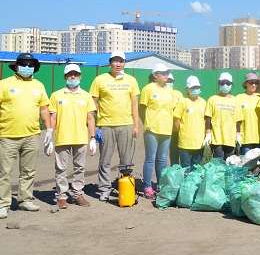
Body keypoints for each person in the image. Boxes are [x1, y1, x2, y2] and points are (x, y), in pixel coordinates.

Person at [0, 53, 50, 218]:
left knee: (28, 171)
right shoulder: (4, 84)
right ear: (16, 66)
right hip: (7, 135)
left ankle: (25, 200)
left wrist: (49, 129)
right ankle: (3, 203)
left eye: (30, 65)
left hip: (32, 135)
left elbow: (44, 109)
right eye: (23, 64)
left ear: (34, 68)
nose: (27, 67)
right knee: (4, 172)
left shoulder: (39, 86)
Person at [89, 51, 140, 202]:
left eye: (121, 61)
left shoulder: (131, 80)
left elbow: (135, 104)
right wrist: (98, 122)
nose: (118, 64)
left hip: (126, 124)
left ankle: (124, 188)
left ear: (124, 63)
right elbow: (93, 101)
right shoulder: (100, 79)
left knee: (126, 160)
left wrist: (136, 126)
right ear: (110, 62)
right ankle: (104, 189)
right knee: (105, 159)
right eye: (115, 61)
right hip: (106, 125)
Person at [46, 63, 97, 208]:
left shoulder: (86, 96)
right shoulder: (56, 95)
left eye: (75, 74)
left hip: (80, 138)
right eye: (70, 74)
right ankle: (61, 196)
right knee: (60, 169)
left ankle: (77, 195)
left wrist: (92, 138)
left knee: (79, 168)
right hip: (62, 138)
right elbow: (53, 118)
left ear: (80, 76)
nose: (73, 77)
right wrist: (50, 137)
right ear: (65, 77)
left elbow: (90, 118)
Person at [138, 63, 174, 200]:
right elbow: (142, 108)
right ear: (155, 75)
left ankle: (161, 185)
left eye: (167, 73)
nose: (166, 75)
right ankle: (147, 187)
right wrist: (147, 124)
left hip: (166, 129)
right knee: (150, 158)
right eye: (163, 73)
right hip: (152, 129)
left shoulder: (170, 91)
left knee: (162, 159)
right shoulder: (148, 89)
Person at [205, 72, 241, 161]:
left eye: (228, 83)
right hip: (217, 138)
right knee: (218, 163)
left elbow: (238, 120)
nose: (225, 85)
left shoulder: (235, 100)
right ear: (218, 84)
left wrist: (238, 134)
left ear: (231, 85)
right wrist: (208, 133)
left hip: (230, 137)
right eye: (222, 83)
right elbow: (208, 118)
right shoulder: (212, 99)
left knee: (228, 163)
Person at [174, 76, 206, 169]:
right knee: (185, 167)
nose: (195, 89)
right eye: (192, 88)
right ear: (187, 89)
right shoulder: (183, 102)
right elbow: (176, 120)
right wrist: (182, 132)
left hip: (199, 141)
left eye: (197, 87)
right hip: (185, 142)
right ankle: (185, 183)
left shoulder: (204, 102)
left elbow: (205, 120)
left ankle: (194, 184)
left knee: (196, 167)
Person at [237, 73, 260, 154]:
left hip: (258, 136)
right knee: (246, 162)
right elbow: (237, 118)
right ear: (246, 84)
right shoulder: (239, 98)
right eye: (251, 83)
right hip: (245, 136)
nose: (253, 85)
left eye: (256, 83)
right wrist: (237, 133)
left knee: (258, 163)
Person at [167, 72, 184, 166]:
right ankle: (173, 170)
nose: (169, 82)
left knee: (178, 151)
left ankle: (181, 171)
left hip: (176, 129)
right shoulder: (161, 93)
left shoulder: (178, 94)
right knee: (171, 153)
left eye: (171, 81)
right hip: (165, 129)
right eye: (167, 80)